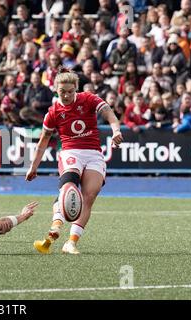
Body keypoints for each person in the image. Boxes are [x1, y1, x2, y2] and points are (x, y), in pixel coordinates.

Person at [25, 68, 123, 255]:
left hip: (94, 153)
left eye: (71, 91)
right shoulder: (53, 112)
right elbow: (43, 142)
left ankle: (71, 242)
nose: (67, 95)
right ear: (56, 90)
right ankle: (56, 226)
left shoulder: (88, 99)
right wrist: (33, 166)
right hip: (71, 152)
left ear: (76, 88)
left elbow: (109, 114)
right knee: (69, 187)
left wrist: (116, 131)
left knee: (89, 195)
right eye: (63, 91)